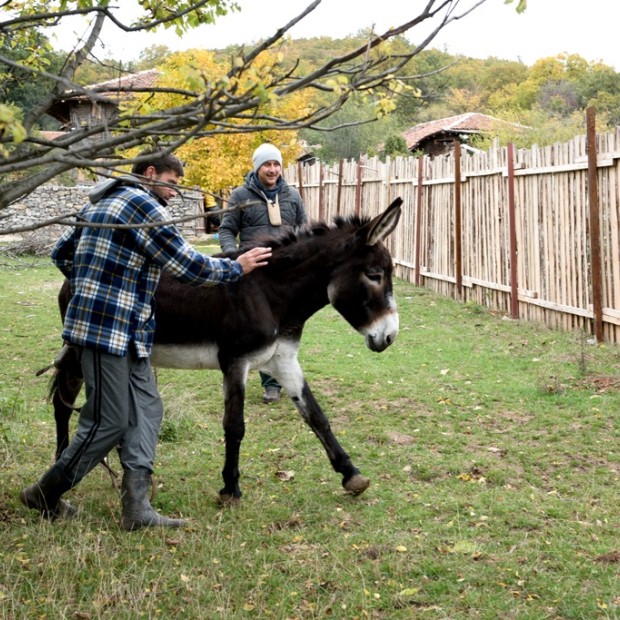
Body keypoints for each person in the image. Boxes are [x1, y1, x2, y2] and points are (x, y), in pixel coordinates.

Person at [20, 149, 272, 530]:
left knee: (148, 409)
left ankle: (137, 508)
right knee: (109, 421)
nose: (173, 193)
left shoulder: (101, 202)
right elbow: (187, 266)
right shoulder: (144, 205)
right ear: (150, 173)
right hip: (106, 330)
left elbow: (62, 253)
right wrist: (237, 267)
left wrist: (95, 279)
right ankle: (44, 493)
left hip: (132, 331)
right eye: (171, 183)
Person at [218, 143, 307, 404]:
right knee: (259, 328)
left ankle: (281, 377)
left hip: (287, 277)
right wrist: (233, 256)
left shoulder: (292, 195)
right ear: (257, 167)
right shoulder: (240, 196)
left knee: (287, 327)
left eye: (276, 164)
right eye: (267, 164)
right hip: (254, 274)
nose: (272, 169)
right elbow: (226, 230)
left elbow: (303, 230)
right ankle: (268, 382)